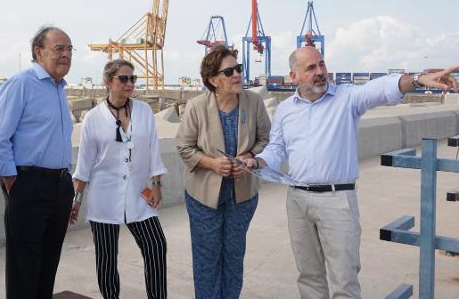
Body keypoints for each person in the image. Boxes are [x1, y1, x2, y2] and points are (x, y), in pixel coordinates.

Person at [253, 46, 459, 299]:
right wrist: (259, 162)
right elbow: (276, 148)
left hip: (337, 201)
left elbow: (380, 89)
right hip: (297, 200)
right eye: (311, 67)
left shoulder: (347, 98)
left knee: (344, 281)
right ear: (293, 76)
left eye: (322, 64)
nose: (320, 72)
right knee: (308, 276)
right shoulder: (286, 110)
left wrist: (416, 80)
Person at [175, 45, 271, 298]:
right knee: (207, 261)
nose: (237, 75)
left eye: (238, 69)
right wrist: (212, 163)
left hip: (242, 197)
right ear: (213, 80)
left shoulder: (254, 102)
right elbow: (183, 147)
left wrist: (249, 157)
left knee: (233, 257)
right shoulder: (196, 106)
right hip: (203, 197)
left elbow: (267, 141)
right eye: (229, 72)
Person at [0, 26, 75, 299]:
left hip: (60, 184)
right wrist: (14, 184)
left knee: (49, 263)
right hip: (29, 184)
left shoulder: (59, 89)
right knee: (24, 267)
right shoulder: (21, 84)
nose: (66, 55)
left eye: (70, 49)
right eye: (59, 48)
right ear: (39, 51)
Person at [71, 59, 168, 299]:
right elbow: (84, 166)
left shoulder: (144, 111)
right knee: (106, 257)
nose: (129, 83)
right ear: (107, 82)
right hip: (103, 197)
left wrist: (156, 184)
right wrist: (76, 199)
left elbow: (154, 150)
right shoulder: (93, 118)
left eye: (132, 78)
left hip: (138, 195)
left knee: (156, 245)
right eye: (123, 78)